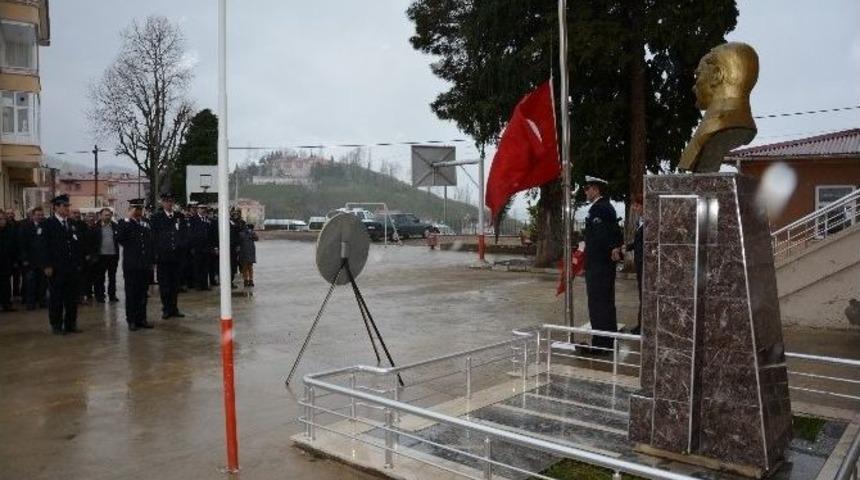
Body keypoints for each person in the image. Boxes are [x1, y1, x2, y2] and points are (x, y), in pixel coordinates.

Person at [582, 176, 623, 352]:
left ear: (596, 190)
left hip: (599, 264)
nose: (585, 192)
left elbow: (600, 236)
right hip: (602, 263)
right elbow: (614, 233)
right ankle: (608, 342)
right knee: (605, 302)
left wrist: (611, 249)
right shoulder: (606, 207)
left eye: (587, 188)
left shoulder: (599, 208)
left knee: (598, 303)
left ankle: (601, 345)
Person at [38, 194, 84, 335]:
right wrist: (47, 265)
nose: (67, 209)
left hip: (71, 268)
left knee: (71, 298)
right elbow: (43, 247)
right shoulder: (47, 224)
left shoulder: (71, 223)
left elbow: (76, 245)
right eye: (64, 206)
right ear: (56, 207)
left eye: (67, 206)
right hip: (56, 268)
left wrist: (78, 263)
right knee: (56, 298)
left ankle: (70, 324)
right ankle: (56, 324)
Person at [116, 199, 154, 331]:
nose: (138, 212)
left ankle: (142, 318)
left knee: (143, 294)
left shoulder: (146, 223)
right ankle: (131, 320)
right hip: (132, 265)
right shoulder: (124, 223)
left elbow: (150, 243)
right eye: (135, 209)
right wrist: (129, 219)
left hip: (144, 265)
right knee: (132, 294)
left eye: (140, 209)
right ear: (130, 210)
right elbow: (120, 238)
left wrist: (151, 262)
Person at [150, 192, 186, 320]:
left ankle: (174, 308)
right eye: (166, 201)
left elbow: (183, 234)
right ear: (162, 203)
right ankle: (166, 309)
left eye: (171, 201)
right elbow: (153, 237)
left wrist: (181, 246)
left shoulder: (179, 216)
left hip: (176, 256)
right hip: (163, 257)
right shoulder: (156, 217)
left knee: (175, 284)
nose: (169, 203)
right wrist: (155, 254)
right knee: (164, 285)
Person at [17, 207, 47, 310]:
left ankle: (42, 301)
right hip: (30, 260)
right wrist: (24, 259)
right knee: (30, 283)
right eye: (38, 215)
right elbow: (22, 244)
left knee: (42, 283)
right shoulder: (25, 227)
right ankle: (31, 303)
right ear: (33, 215)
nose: (40, 217)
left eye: (41, 215)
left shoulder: (45, 227)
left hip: (42, 261)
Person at [625, 194, 644, 335]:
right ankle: (640, 325)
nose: (634, 208)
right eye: (634, 205)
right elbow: (639, 242)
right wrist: (627, 247)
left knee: (644, 296)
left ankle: (642, 327)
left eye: (637, 205)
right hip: (640, 263)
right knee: (641, 295)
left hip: (645, 264)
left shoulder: (650, 221)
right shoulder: (642, 221)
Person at [93, 208, 120, 303]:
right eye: (105, 215)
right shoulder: (95, 227)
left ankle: (112, 295)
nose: (107, 217)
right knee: (100, 277)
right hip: (101, 256)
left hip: (113, 256)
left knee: (112, 278)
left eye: (109, 215)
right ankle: (100, 296)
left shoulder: (115, 226)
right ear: (100, 216)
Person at [0, 215, 17, 312]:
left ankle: (7, 304)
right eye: (0, 219)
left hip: (6, 262)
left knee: (6, 284)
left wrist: (14, 260)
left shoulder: (10, 231)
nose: (2, 221)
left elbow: (13, 246)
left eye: (3, 219)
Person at [238, 223, 258, 287]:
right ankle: (246, 280)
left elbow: (256, 238)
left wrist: (252, 233)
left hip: (250, 251)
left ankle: (250, 280)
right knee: (245, 267)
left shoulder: (252, 233)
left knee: (249, 267)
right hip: (244, 252)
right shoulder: (241, 233)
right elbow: (241, 238)